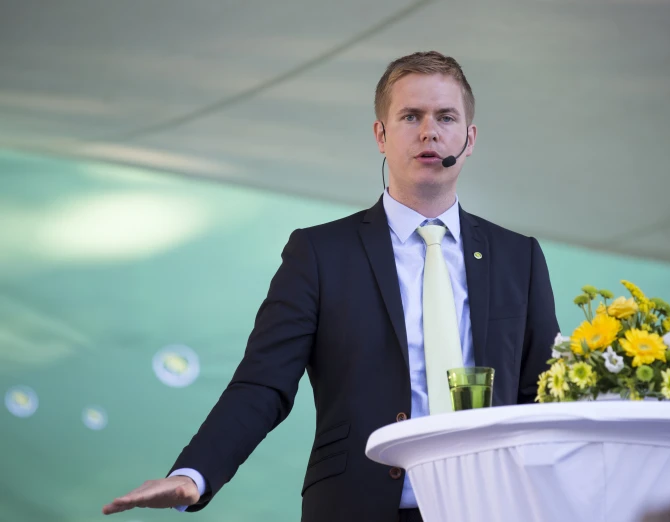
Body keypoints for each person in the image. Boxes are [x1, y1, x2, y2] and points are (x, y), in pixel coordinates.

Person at [102, 50, 560, 522]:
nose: (429, 131)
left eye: (446, 117)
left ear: (469, 138)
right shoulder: (319, 253)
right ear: (380, 134)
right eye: (410, 116)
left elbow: (545, 397)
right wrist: (194, 474)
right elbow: (263, 383)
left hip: (492, 506)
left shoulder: (518, 257)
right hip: (357, 507)